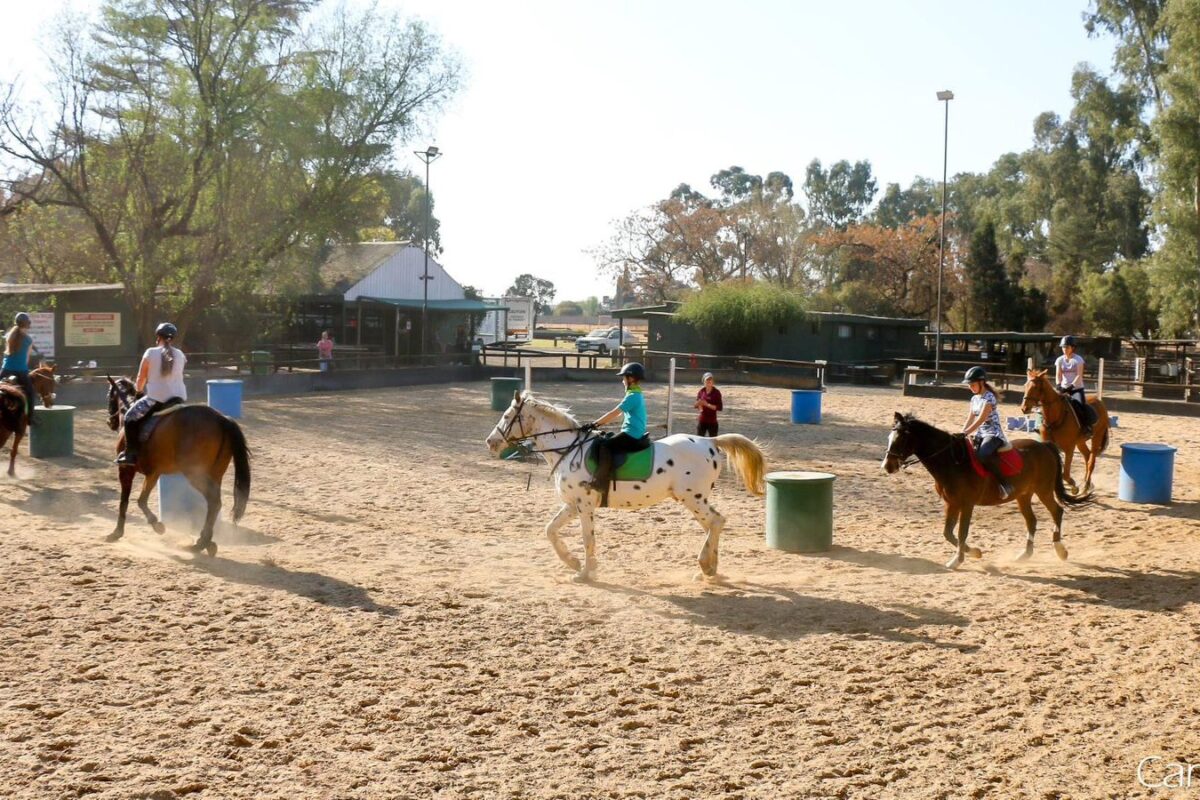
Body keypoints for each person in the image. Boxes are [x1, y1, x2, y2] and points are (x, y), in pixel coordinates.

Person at [116, 323, 188, 466]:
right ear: (172, 338)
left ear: (158, 337)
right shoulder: (180, 354)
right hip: (179, 398)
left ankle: (130, 455)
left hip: (157, 399)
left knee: (129, 417)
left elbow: (141, 378)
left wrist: (138, 391)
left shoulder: (150, 352)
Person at [585, 362, 651, 506]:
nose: (622, 381)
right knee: (607, 439)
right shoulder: (635, 393)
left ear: (631, 378)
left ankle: (599, 483)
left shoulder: (633, 396)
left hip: (632, 434)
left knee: (606, 446)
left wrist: (594, 424)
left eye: (624, 378)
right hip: (631, 431)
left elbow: (614, 413)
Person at [961, 366, 1013, 499]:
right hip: (980, 434)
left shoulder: (989, 398)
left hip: (993, 434)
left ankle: (1005, 484)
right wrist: (962, 432)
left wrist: (967, 432)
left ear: (982, 383)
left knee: (983, 454)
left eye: (972, 384)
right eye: (969, 385)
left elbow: (981, 419)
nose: (970, 388)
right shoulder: (974, 399)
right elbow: (971, 417)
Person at [1, 312, 40, 424]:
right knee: (30, 392)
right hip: (21, 371)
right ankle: (30, 417)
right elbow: (26, 359)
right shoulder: (28, 340)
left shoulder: (9, 336)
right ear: (28, 324)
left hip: (6, 369)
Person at [1055, 335, 1091, 436]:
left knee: (1080, 405)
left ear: (1073, 348)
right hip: (1063, 389)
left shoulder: (1078, 359)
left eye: (1067, 347)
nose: (1064, 349)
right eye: (1063, 347)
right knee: (1051, 402)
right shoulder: (1059, 360)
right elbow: (1058, 374)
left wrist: (1071, 386)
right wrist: (1058, 385)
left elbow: (1079, 375)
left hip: (1076, 389)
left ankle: (1086, 428)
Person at [694, 372, 723, 437]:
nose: (709, 381)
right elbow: (696, 405)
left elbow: (720, 407)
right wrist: (698, 404)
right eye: (707, 380)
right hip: (702, 421)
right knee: (699, 441)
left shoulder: (716, 392)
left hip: (712, 422)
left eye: (710, 379)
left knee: (713, 443)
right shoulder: (701, 391)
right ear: (704, 382)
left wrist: (707, 404)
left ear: (713, 381)